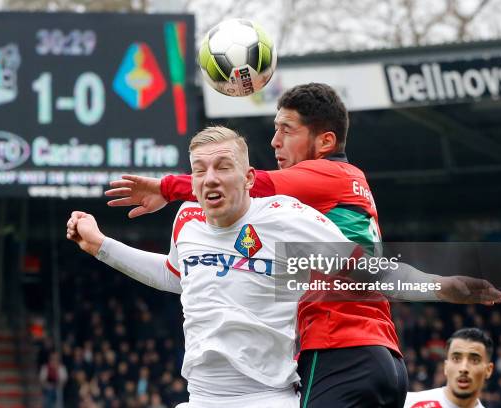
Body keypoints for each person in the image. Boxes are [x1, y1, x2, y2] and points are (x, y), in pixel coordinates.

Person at [105, 83, 501, 408]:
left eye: (287, 130)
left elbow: (245, 181)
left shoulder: (320, 178)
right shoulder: (350, 184)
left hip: (334, 350)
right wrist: (437, 285)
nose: (275, 141)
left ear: (325, 140)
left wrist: (167, 187)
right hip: (383, 353)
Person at [68, 126, 368, 408]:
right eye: (199, 170)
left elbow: (367, 268)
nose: (210, 178)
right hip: (200, 397)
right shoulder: (187, 218)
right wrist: (101, 246)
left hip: (267, 398)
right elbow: (173, 275)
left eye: (223, 166)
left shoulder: (286, 216)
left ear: (249, 178)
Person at [404, 328, 494, 408]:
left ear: (488, 370)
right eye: (456, 358)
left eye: (474, 360)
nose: (463, 368)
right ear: (446, 366)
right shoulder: (408, 403)